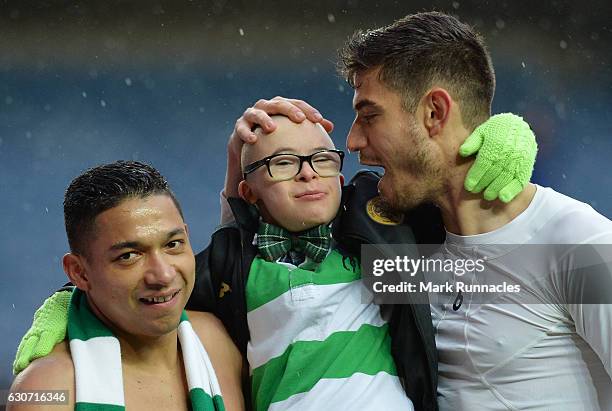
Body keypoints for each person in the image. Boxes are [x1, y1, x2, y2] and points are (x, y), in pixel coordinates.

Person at [230, 11, 612, 411]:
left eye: (370, 115)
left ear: (434, 113)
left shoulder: (579, 244)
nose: (353, 141)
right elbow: (253, 263)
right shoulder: (395, 241)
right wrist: (238, 161)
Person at [8, 161, 244, 411]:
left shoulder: (218, 340)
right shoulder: (44, 392)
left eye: (173, 244)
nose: (163, 275)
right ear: (79, 273)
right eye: (129, 256)